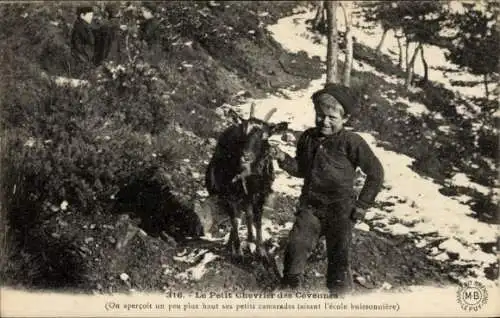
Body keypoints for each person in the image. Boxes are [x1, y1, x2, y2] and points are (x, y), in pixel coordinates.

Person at [271, 83, 384, 296]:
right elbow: (302, 169)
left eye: (332, 118)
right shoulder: (307, 138)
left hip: (341, 209)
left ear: (345, 119)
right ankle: (289, 288)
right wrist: (283, 159)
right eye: (321, 115)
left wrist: (362, 205)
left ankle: (339, 297)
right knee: (297, 245)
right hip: (312, 206)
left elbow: (376, 173)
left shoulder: (352, 142)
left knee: (338, 256)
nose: (325, 122)